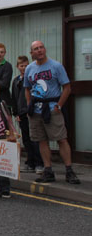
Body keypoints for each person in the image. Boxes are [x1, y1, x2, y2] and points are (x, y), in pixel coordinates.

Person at [24, 41, 80, 184]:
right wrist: (29, 105)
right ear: (32, 53)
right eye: (36, 49)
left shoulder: (56, 66)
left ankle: (69, 171)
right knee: (42, 141)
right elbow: (27, 88)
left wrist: (59, 106)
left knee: (61, 139)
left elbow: (67, 87)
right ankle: (48, 171)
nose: (39, 50)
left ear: (45, 49)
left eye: (41, 47)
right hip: (36, 111)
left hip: (52, 109)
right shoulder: (29, 69)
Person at [11, 55, 44, 174]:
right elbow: (14, 98)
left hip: (32, 112)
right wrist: (15, 113)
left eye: (26, 65)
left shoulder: (32, 78)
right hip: (21, 113)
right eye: (21, 66)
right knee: (26, 138)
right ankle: (30, 162)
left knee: (34, 138)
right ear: (17, 67)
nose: (24, 68)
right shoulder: (16, 81)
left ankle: (39, 163)